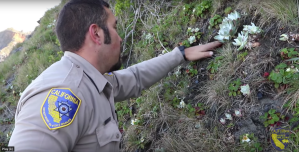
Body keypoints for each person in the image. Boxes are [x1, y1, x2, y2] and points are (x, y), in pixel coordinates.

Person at [8, 0, 222, 151]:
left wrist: (180, 55)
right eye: (115, 27)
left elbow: (135, 77)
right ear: (96, 33)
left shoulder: (91, 78)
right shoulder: (65, 93)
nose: (120, 38)